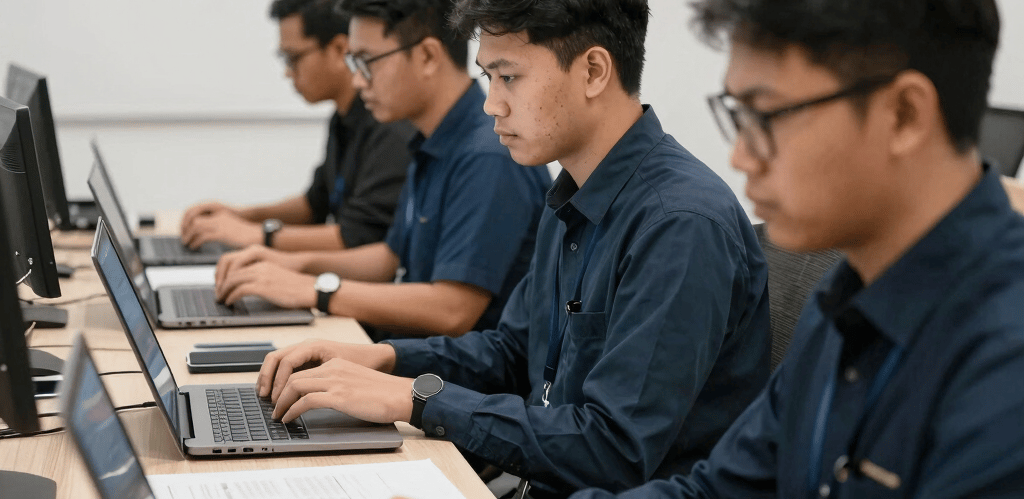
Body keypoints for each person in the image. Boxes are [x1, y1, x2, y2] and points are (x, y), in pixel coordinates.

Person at [253, 0, 771, 496]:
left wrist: (416, 398)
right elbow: (511, 351)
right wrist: (383, 358)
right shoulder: (570, 192)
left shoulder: (677, 224)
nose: (491, 103)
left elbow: (611, 450)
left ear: (593, 71)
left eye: (509, 77)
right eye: (488, 77)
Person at [570, 1, 1024, 498]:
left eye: (766, 115)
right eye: (736, 114)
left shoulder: (1003, 364)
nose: (740, 156)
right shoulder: (847, 295)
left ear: (905, 114)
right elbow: (722, 490)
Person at [213, 0, 551, 338]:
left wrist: (316, 290)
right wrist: (295, 265)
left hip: (453, 383)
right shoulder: (430, 141)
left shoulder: (486, 157)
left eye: (366, 62)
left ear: (428, 57)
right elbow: (389, 257)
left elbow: (452, 309)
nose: (358, 82)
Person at [180, 0, 414, 253]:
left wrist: (257, 235)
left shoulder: (390, 127)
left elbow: (359, 237)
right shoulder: (344, 117)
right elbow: (314, 205)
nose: (288, 73)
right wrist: (241, 215)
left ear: (338, 49)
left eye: (293, 58)